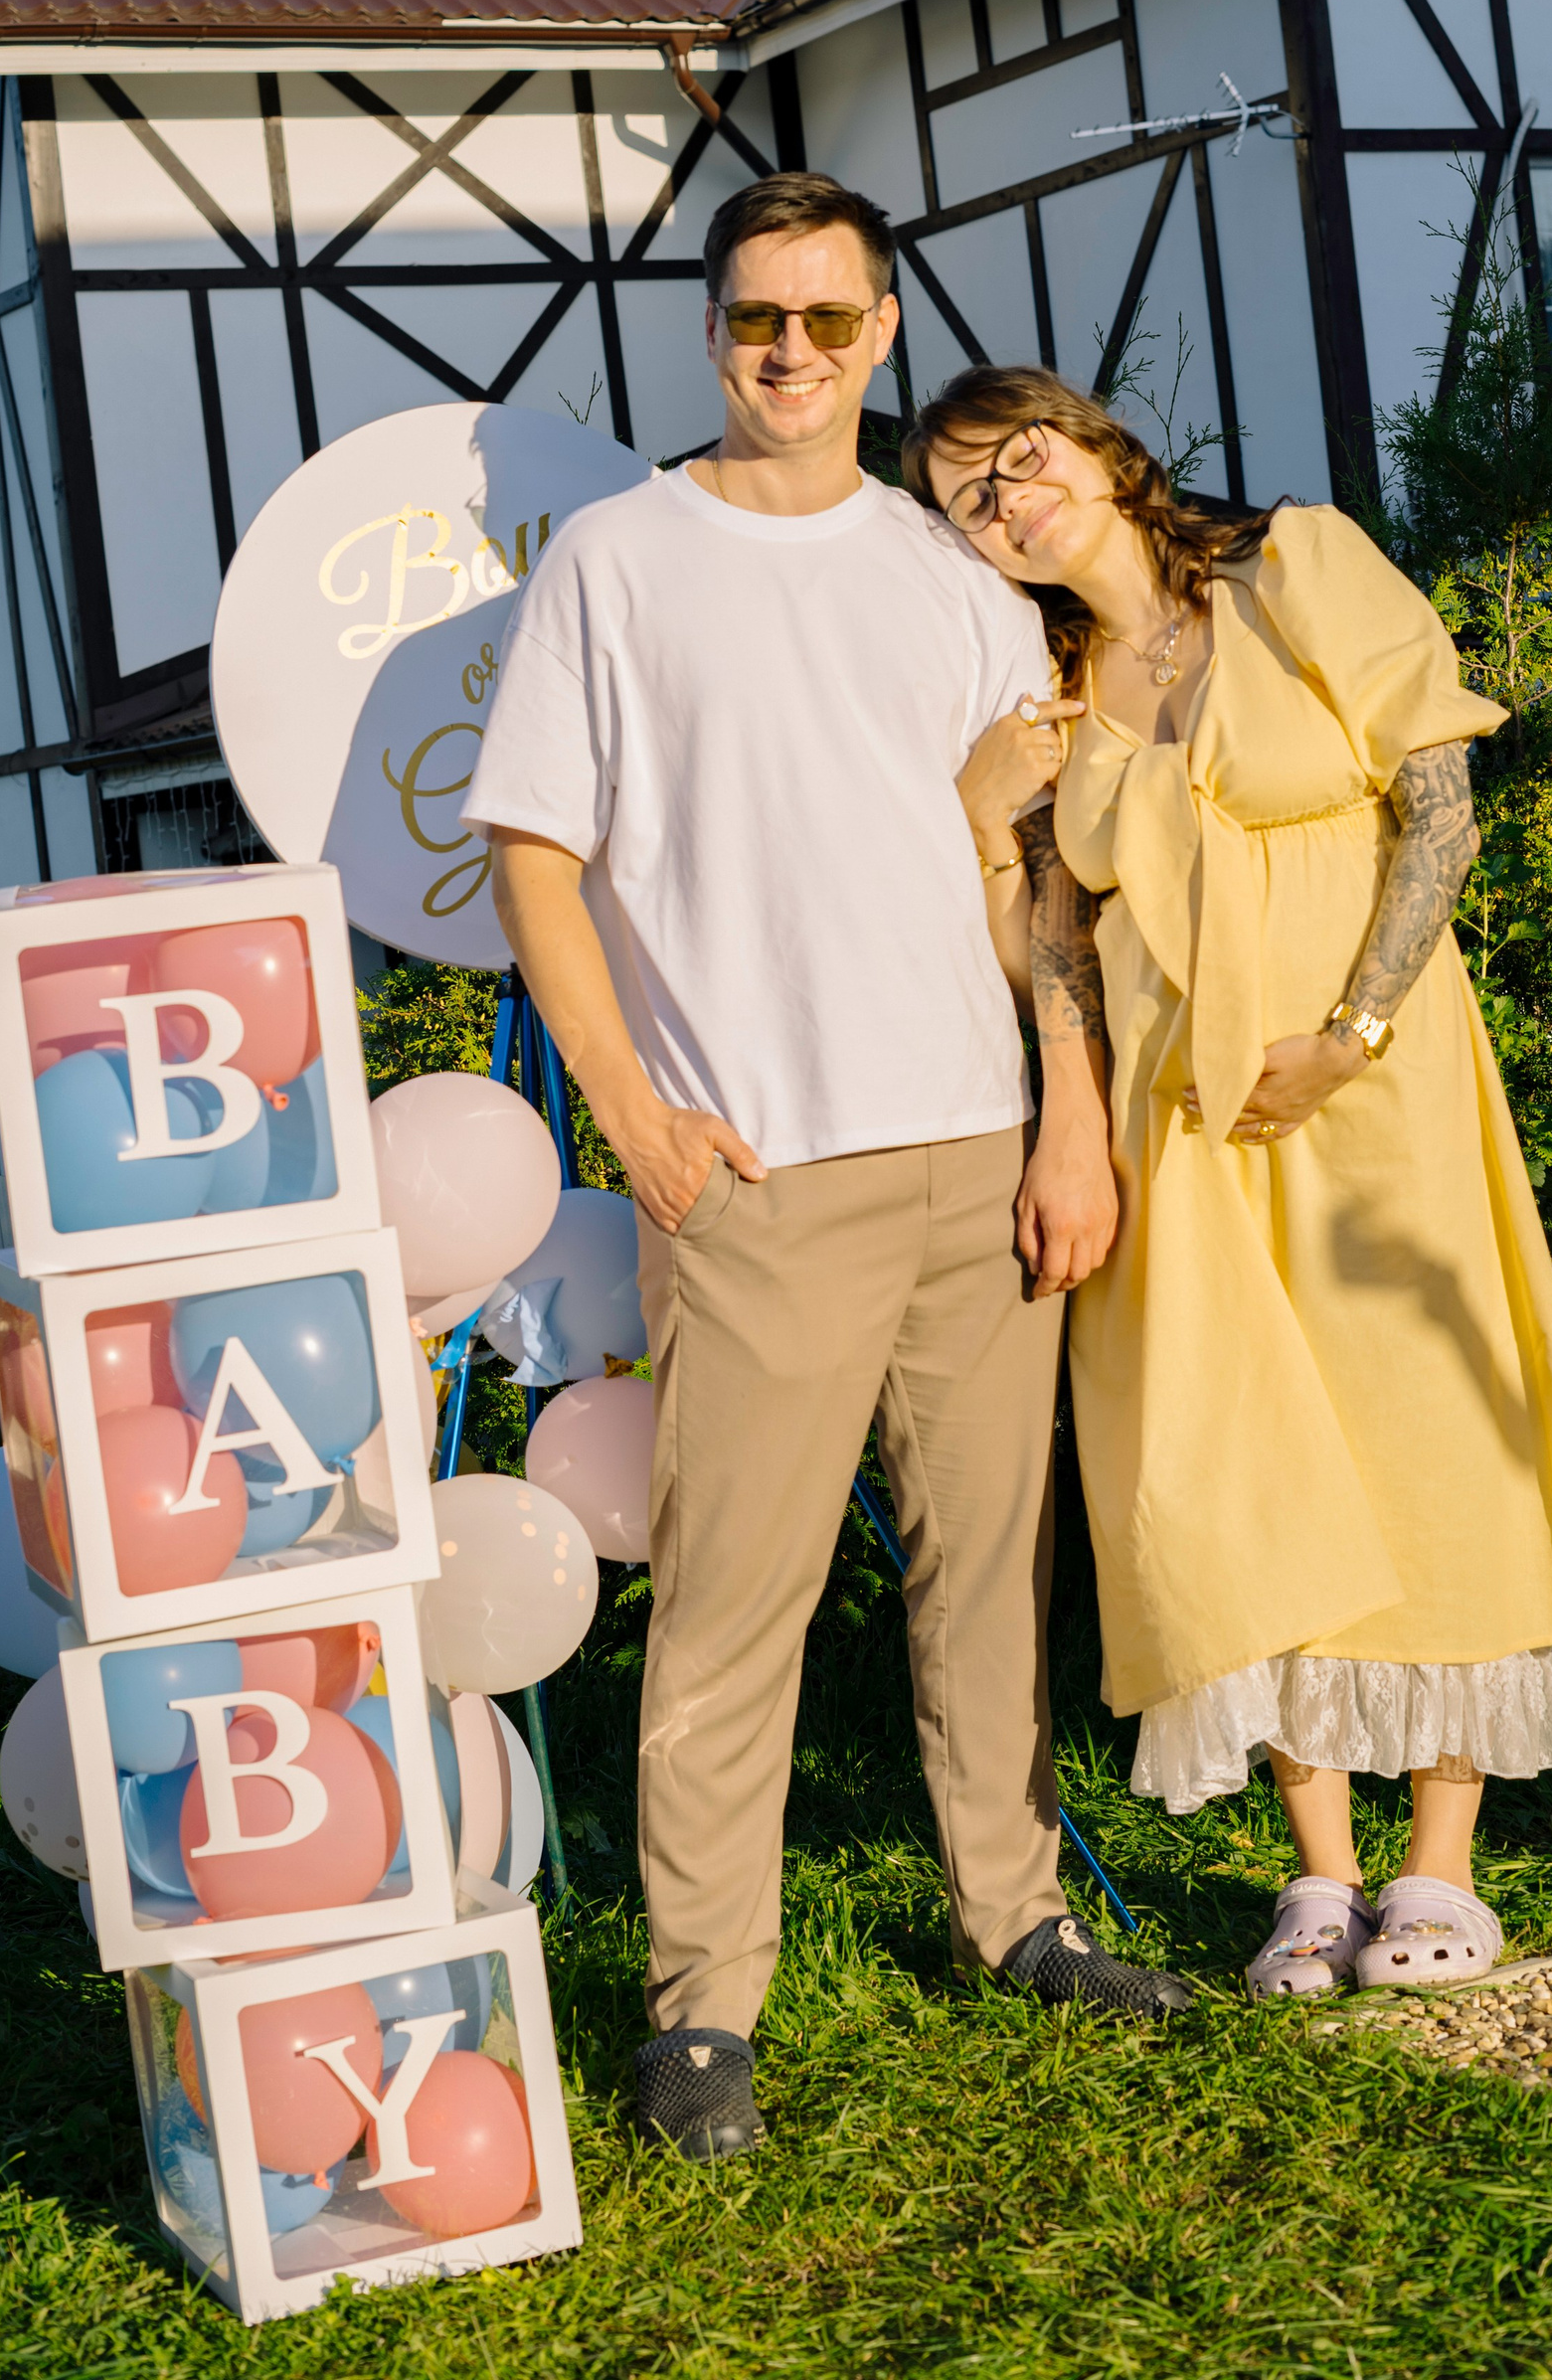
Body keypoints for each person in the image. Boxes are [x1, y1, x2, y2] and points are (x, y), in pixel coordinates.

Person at [462, 179, 1189, 2162]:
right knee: (731, 1604)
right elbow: (534, 857)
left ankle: (1016, 1917)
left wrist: (1068, 1115)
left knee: (990, 1575)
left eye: (830, 320)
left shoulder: (950, 574)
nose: (792, 351)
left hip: (976, 1150)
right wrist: (635, 1116)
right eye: (756, 318)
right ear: (711, 331)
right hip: (758, 1168)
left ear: (883, 334)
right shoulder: (616, 561)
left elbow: (1033, 867)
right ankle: (703, 2015)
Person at [907, 368, 1552, 2000]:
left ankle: (1441, 1869)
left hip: (1376, 1082)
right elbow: (1056, 955)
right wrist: (983, 830)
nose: (1011, 500)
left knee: (1425, 1437)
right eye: (972, 498)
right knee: (1242, 1460)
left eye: (1021, 458)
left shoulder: (1290, 568)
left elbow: (1439, 811)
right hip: (1180, 1121)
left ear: (1095, 448)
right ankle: (1320, 1875)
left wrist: (1351, 1033)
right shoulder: (1048, 694)